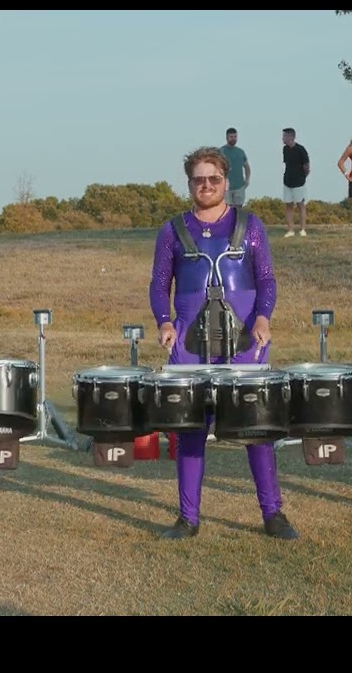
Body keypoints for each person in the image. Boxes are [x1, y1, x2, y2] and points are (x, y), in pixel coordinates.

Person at [148, 146, 298, 541]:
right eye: (199, 179)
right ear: (189, 184)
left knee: (256, 428)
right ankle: (188, 518)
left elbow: (266, 279)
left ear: (226, 181)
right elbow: (159, 284)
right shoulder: (172, 231)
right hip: (190, 341)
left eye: (213, 179)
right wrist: (164, 322)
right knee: (190, 429)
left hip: (245, 338)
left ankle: (273, 514)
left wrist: (263, 317)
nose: (207, 185)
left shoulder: (250, 225)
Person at [281, 127, 310, 237]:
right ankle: (290, 230)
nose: (283, 138)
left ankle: (302, 229)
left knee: (300, 205)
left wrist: (303, 176)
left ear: (291, 137)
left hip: (299, 182)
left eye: (284, 136)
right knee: (288, 205)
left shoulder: (300, 149)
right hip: (287, 181)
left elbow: (306, 166)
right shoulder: (285, 149)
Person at [219, 127, 251, 207]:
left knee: (238, 208)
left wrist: (247, 180)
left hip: (239, 186)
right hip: (225, 187)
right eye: (231, 137)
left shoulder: (240, 152)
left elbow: (247, 167)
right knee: (227, 208)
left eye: (235, 137)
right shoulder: (221, 151)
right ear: (227, 137)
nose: (233, 139)